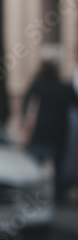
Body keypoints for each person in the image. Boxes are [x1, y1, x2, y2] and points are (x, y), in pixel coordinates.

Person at [22, 59, 78, 204]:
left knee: (33, 165)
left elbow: (27, 101)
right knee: (58, 167)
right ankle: (59, 196)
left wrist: (24, 120)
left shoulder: (40, 84)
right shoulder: (64, 87)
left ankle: (29, 195)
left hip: (42, 130)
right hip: (60, 132)